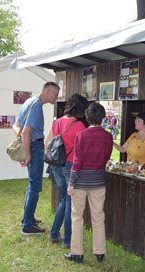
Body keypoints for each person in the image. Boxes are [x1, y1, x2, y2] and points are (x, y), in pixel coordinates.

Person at [64, 102, 113, 263]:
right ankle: (99, 252)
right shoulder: (108, 136)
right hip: (99, 182)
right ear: (103, 118)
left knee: (77, 217)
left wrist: (71, 183)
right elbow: (106, 158)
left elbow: (77, 162)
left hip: (80, 183)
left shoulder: (81, 136)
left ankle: (77, 253)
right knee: (98, 217)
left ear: (87, 117)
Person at [12, 81, 59, 235]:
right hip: (35, 147)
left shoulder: (28, 101)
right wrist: (28, 153)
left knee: (31, 185)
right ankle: (28, 225)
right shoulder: (37, 105)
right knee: (35, 186)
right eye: (55, 94)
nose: (56, 98)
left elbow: (16, 126)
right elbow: (25, 132)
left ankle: (28, 218)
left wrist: (25, 144)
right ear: (47, 90)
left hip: (32, 145)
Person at [45, 94, 88, 247]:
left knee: (64, 199)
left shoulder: (57, 122)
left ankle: (54, 234)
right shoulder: (80, 126)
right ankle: (67, 240)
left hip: (56, 164)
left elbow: (47, 143)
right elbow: (82, 151)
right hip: (71, 166)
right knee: (70, 202)